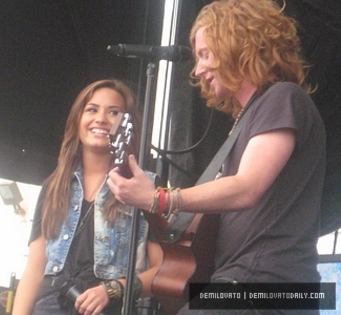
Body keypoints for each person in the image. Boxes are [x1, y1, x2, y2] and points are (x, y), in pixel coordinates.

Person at [107, 0, 326, 314]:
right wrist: (151, 203)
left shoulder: (282, 97)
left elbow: (247, 187)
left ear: (238, 43)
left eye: (205, 54)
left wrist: (159, 198)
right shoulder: (247, 119)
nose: (197, 70)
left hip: (266, 287)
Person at [12, 79, 162, 315]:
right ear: (77, 120)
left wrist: (114, 289)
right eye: (92, 109)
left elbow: (164, 271)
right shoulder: (54, 186)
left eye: (113, 112)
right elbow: (34, 268)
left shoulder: (144, 186)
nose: (101, 118)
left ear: (127, 126)